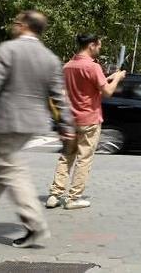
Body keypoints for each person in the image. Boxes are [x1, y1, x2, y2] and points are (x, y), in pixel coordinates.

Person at [0, 11, 74, 248]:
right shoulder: (50, 58)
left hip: (7, 120)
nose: (14, 26)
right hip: (33, 123)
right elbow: (59, 96)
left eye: (16, 22)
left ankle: (35, 225)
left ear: (25, 26)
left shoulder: (7, 50)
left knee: (12, 171)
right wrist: (66, 125)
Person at [45, 34, 125, 210]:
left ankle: (54, 194)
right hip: (89, 120)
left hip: (69, 120)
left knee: (66, 156)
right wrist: (118, 78)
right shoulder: (93, 67)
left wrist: (109, 77)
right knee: (84, 159)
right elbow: (107, 92)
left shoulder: (68, 66)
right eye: (99, 46)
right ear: (91, 45)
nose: (99, 49)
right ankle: (74, 197)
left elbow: (85, 87)